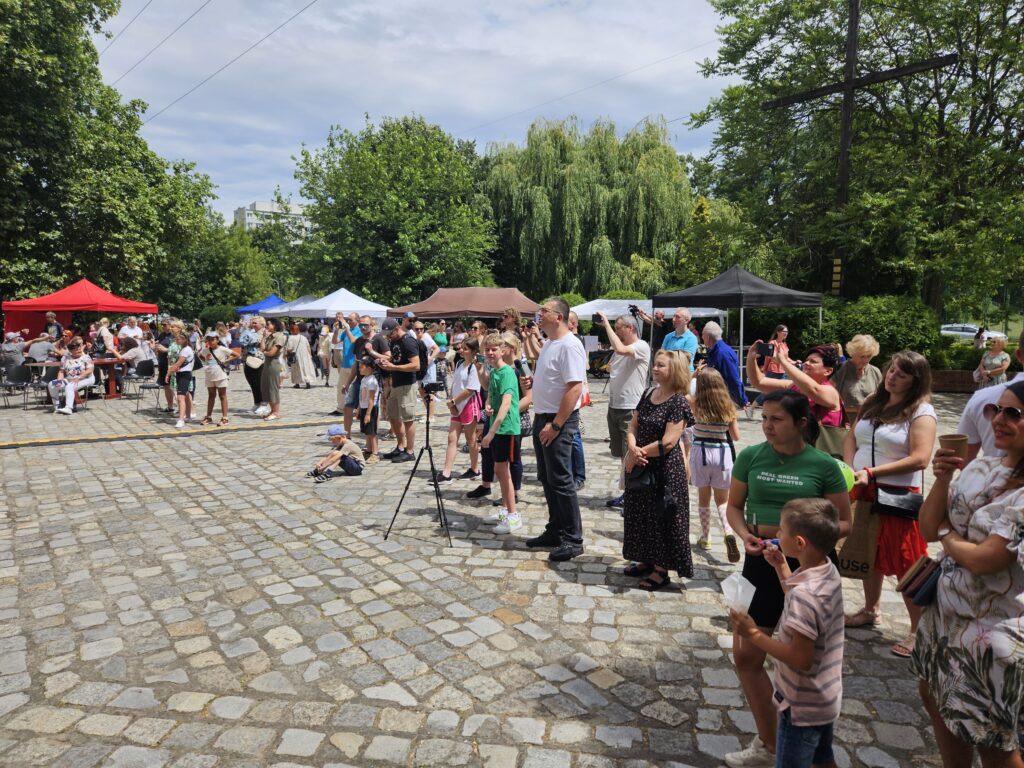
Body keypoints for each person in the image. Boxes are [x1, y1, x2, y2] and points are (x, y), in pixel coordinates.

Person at [723, 390, 851, 767]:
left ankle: (806, 733)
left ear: (801, 423)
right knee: (746, 655)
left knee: (805, 659)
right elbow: (733, 506)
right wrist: (743, 532)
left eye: (776, 419)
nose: (767, 426)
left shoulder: (823, 465)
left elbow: (844, 522)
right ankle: (769, 744)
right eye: (764, 418)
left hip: (808, 567)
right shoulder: (750, 456)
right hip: (761, 561)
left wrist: (799, 542)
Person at [914, 380, 1024, 768]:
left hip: (990, 631)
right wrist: (942, 478)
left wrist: (948, 533)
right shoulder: (980, 466)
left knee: (991, 738)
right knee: (937, 700)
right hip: (945, 618)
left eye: (1014, 413)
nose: (999, 419)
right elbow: (927, 528)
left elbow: (985, 559)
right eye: (996, 410)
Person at [729, 499, 844, 768]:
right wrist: (782, 568)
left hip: (800, 704)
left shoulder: (806, 595)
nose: (777, 535)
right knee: (822, 758)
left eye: (781, 531)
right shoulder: (825, 571)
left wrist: (754, 633)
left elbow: (800, 657)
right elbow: (802, 603)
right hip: (824, 697)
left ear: (800, 543)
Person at [842, 351, 936, 658]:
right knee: (870, 551)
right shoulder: (874, 401)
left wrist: (871, 472)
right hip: (862, 489)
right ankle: (871, 609)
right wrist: (849, 469)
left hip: (896, 494)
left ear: (916, 381)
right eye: (891, 370)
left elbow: (921, 458)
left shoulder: (921, 412)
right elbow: (851, 437)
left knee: (907, 561)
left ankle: (917, 630)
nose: (892, 377)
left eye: (902, 374)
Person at [622, 349, 695, 590]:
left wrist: (638, 453)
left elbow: (669, 442)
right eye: (655, 364)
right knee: (640, 513)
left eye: (661, 366)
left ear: (674, 370)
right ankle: (646, 558)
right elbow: (632, 425)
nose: (655, 368)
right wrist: (632, 447)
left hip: (664, 469)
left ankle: (662, 569)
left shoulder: (678, 402)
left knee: (662, 516)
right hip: (641, 463)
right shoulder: (648, 393)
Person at [528, 297, 588, 562]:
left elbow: (574, 387)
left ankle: (573, 538)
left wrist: (556, 424)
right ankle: (555, 529)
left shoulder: (570, 345)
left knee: (562, 480)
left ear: (559, 317)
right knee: (546, 476)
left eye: (544, 311)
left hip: (557, 420)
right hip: (543, 416)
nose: (539, 314)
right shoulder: (550, 343)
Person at [595, 310, 650, 509]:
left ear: (631, 328)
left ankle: (634, 498)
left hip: (630, 407)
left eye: (619, 328)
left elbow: (620, 351)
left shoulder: (641, 346)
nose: (616, 332)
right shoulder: (620, 349)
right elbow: (610, 367)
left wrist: (607, 325)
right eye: (615, 328)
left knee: (631, 454)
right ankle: (628, 493)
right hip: (615, 406)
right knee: (621, 455)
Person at [691, 368, 742, 560]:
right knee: (723, 501)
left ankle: (706, 537)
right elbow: (736, 437)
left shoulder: (695, 403)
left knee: (704, 498)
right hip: (722, 454)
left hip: (701, 452)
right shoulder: (728, 406)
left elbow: (684, 390)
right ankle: (728, 531)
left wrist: (694, 376)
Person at [958, 329, 1024, 464]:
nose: (999, 419)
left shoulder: (981, 398)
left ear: (1019, 355)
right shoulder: (982, 397)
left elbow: (964, 460)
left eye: (1012, 413)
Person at [479, 333, 522, 534]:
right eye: (487, 349)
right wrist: (487, 405)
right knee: (500, 470)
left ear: (502, 350)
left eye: (494, 349)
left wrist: (491, 432)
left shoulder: (506, 373)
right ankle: (505, 510)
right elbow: (492, 397)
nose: (490, 353)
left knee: (503, 471)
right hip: (497, 425)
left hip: (506, 428)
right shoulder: (494, 372)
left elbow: (506, 403)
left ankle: (513, 516)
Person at [747, 343, 843, 428]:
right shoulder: (793, 385)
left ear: (828, 371)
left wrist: (783, 362)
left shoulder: (831, 392)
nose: (806, 363)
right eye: (807, 360)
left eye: (813, 361)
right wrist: (751, 358)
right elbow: (759, 382)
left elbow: (813, 391)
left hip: (819, 447)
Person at [436, 339, 482, 485]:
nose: (461, 351)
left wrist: (454, 401)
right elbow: (455, 384)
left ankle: (475, 469)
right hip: (456, 406)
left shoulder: (474, 367)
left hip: (468, 406)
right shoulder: (459, 364)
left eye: (465, 348)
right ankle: (446, 472)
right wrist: (451, 401)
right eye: (460, 348)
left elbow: (471, 389)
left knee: (471, 440)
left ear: (474, 351)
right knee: (452, 438)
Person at [380, 318, 420, 463]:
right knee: (393, 415)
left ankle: (410, 451)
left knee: (408, 418)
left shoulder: (408, 341)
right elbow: (396, 358)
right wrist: (386, 362)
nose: (388, 337)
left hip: (407, 385)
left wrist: (394, 367)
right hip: (396, 383)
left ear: (397, 329)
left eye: (390, 333)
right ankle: (400, 447)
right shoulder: (394, 341)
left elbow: (416, 365)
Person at [830, 334, 882, 424]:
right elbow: (828, 400)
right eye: (862, 356)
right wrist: (855, 409)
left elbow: (882, 399)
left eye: (869, 356)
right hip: (844, 425)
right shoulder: (841, 369)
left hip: (868, 424)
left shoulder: (875, 371)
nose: (866, 360)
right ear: (852, 353)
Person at [197, 332, 239, 426]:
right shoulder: (206, 350)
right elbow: (200, 356)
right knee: (211, 395)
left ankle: (225, 417)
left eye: (213, 339)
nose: (211, 342)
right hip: (210, 374)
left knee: (222, 395)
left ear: (217, 340)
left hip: (220, 375)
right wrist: (206, 361)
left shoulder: (222, 349)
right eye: (209, 340)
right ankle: (209, 416)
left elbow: (236, 354)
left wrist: (225, 361)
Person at [566, 311, 587, 490]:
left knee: (574, 437)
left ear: (572, 323)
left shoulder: (575, 341)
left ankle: (579, 475)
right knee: (573, 437)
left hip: (573, 398)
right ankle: (573, 472)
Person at [703, 321, 747, 409]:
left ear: (708, 337)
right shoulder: (717, 351)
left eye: (703, 335)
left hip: (723, 402)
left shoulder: (722, 353)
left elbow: (734, 379)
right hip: (718, 400)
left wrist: (742, 401)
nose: (702, 337)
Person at [48, 337, 94, 415]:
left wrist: (78, 378)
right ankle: (57, 406)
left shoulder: (86, 357)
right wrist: (60, 380)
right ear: (71, 351)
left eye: (79, 348)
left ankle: (68, 408)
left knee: (69, 386)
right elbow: (61, 371)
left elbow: (89, 370)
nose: (79, 350)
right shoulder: (65, 358)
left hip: (86, 378)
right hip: (69, 379)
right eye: (76, 350)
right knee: (51, 384)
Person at [753, 325, 790, 408]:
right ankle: (751, 408)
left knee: (781, 391)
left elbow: (786, 358)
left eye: (787, 332)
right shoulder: (772, 343)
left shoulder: (784, 344)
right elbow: (769, 357)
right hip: (773, 371)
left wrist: (795, 362)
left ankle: (777, 409)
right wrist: (765, 368)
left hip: (782, 371)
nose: (786, 333)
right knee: (767, 391)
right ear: (778, 332)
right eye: (784, 331)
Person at [333, 313, 361, 420]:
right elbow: (335, 341)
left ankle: (357, 409)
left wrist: (348, 329)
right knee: (341, 387)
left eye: (351, 320)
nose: (348, 322)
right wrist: (336, 331)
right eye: (348, 320)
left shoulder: (359, 331)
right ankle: (340, 408)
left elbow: (354, 341)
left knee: (355, 388)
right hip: (345, 364)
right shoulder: (345, 331)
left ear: (357, 320)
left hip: (355, 364)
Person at [165, 330, 194, 428]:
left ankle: (181, 419)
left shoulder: (185, 349)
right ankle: (188, 416)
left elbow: (177, 364)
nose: (176, 340)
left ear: (184, 340)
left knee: (180, 397)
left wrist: (168, 374)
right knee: (185, 395)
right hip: (182, 374)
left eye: (178, 339)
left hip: (184, 374)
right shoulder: (183, 348)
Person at [259, 318, 287, 421]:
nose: (266, 326)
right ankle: (272, 410)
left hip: (274, 363)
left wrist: (264, 352)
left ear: (275, 325)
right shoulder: (270, 336)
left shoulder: (279, 337)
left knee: (273, 388)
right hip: (267, 363)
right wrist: (264, 337)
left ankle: (275, 412)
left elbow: (271, 353)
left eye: (269, 324)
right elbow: (262, 348)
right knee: (266, 387)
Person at [239, 317, 266, 415]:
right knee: (252, 382)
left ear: (262, 324)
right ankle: (257, 402)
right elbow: (240, 340)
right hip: (248, 358)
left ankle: (263, 403)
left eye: (255, 323)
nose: (253, 324)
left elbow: (261, 345)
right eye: (252, 322)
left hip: (259, 360)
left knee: (259, 382)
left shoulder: (263, 332)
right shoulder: (250, 332)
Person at [356, 358, 381, 464]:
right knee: (367, 432)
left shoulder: (372, 381)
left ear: (369, 368)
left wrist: (367, 414)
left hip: (371, 409)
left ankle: (375, 453)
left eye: (361, 367)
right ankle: (369, 450)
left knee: (372, 432)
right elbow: (361, 396)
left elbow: (371, 399)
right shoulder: (364, 379)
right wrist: (358, 408)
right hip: (364, 407)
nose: (359, 369)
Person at [661, 308, 698, 372]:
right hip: (668, 374)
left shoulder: (691, 338)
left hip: (683, 376)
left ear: (686, 320)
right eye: (674, 316)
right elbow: (661, 356)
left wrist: (667, 355)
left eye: (677, 317)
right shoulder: (668, 337)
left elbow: (685, 360)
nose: (673, 319)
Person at [286, 322, 316, 389]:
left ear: (291, 330)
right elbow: (308, 347)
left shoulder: (291, 338)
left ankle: (297, 383)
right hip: (305, 356)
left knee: (297, 369)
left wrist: (287, 352)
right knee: (306, 369)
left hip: (296, 356)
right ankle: (308, 382)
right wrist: (310, 355)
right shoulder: (303, 337)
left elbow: (289, 348)